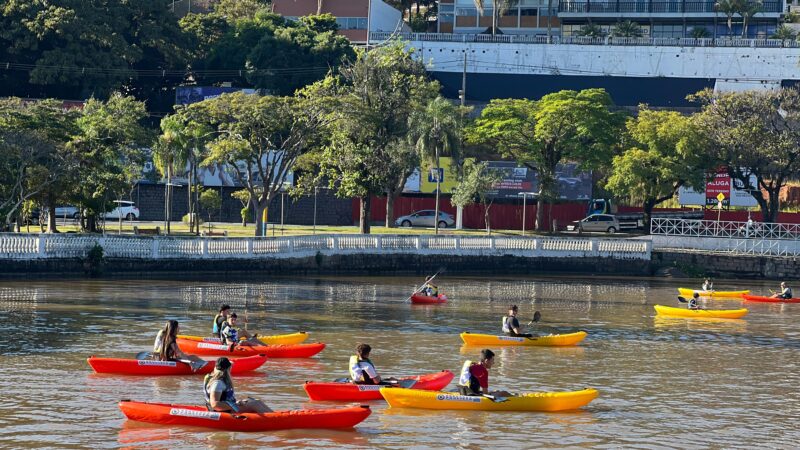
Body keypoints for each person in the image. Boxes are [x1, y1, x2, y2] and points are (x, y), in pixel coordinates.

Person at [204, 357, 271, 413]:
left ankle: (275, 415)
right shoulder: (218, 383)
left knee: (256, 401)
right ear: (228, 369)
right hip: (224, 411)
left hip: (227, 408)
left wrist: (237, 402)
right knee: (255, 404)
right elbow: (215, 404)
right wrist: (235, 404)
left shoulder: (219, 380)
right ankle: (274, 419)